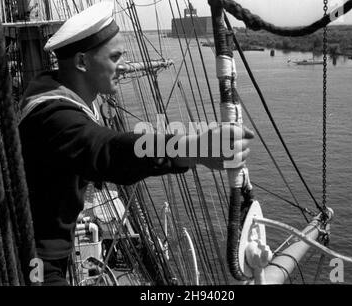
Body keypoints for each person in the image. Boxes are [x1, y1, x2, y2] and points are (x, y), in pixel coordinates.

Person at [18, 2, 253, 286]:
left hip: (50, 249)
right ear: (82, 62)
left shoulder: (53, 91)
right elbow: (108, 150)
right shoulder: (55, 117)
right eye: (115, 57)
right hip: (38, 262)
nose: (124, 66)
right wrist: (193, 148)